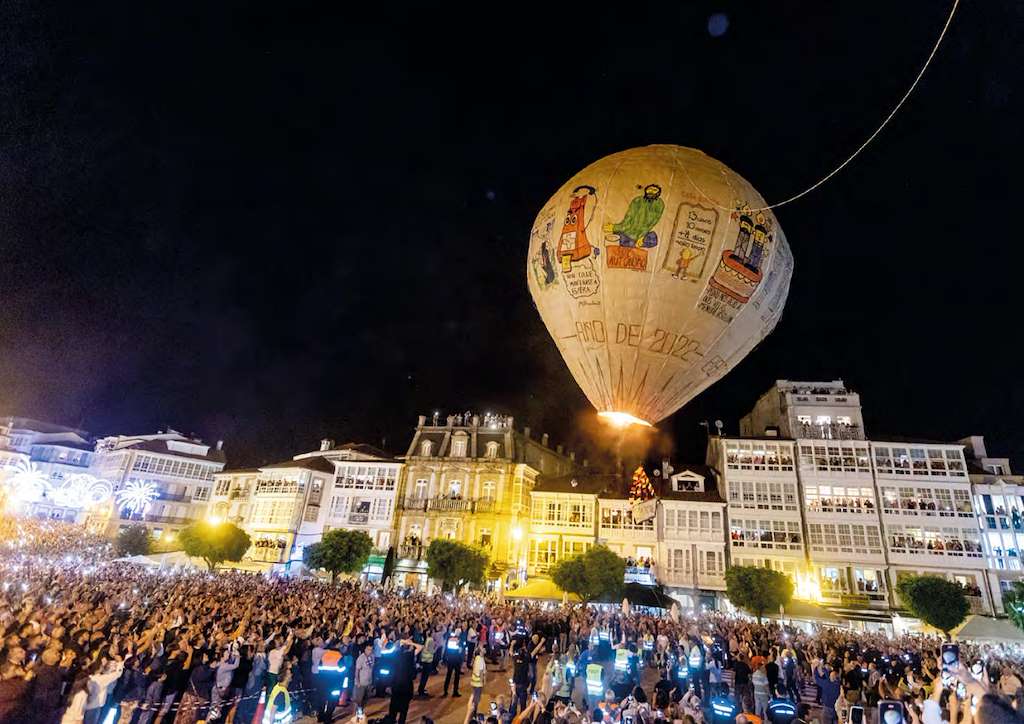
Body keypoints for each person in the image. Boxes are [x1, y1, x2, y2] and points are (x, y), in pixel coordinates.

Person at [388, 638, 422, 724]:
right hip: (406, 686)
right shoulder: (410, 655)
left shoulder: (396, 654)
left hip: (396, 684)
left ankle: (392, 721)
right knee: (404, 709)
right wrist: (411, 643)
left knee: (393, 707)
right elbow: (420, 647)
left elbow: (393, 646)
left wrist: (403, 641)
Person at [813, 660, 841, 724]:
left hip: (827, 709)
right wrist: (824, 669)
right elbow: (829, 677)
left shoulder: (827, 684)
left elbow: (817, 678)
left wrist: (815, 668)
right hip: (836, 709)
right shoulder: (838, 684)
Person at [443, 626, 466, 697]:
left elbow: (447, 649)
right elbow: (461, 651)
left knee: (448, 675)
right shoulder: (460, 641)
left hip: (450, 660)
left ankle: (445, 691)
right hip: (457, 660)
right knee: (456, 676)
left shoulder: (450, 639)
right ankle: (455, 691)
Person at [469, 643, 488, 716]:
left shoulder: (478, 658)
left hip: (475, 682)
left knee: (475, 698)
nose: (485, 649)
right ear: (480, 652)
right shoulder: (480, 659)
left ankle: (473, 712)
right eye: (483, 648)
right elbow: (480, 672)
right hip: (477, 683)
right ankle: (473, 714)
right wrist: (483, 682)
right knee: (476, 700)